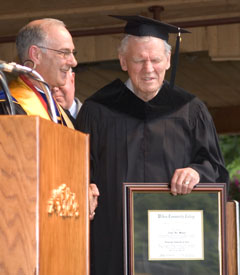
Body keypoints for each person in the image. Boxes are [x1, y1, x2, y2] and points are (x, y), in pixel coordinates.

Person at [75, 15, 229, 275]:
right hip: (113, 246)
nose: (149, 69)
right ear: (123, 61)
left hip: (175, 250)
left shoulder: (191, 110)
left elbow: (215, 169)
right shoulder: (96, 111)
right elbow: (75, 171)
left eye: (156, 60)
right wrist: (84, 186)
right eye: (139, 60)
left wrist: (196, 172)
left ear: (167, 61)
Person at [0, 18, 99, 218]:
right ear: (35, 54)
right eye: (64, 53)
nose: (73, 62)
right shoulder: (10, 108)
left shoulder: (59, 112)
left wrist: (84, 187)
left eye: (73, 53)